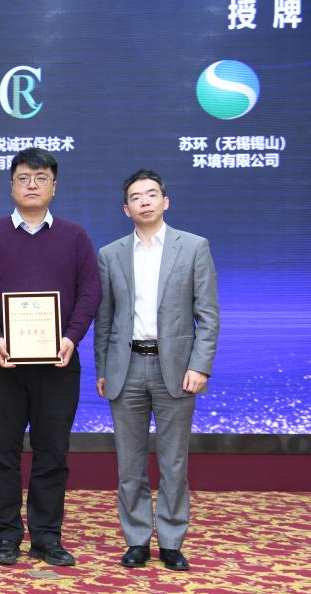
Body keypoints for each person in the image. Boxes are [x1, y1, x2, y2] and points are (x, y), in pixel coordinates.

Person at [0, 147, 100, 567]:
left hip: (57, 362)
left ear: (54, 187)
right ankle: (6, 535)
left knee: (52, 451)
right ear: (11, 185)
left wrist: (72, 337)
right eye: (24, 177)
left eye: (41, 178)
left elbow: (90, 292)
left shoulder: (75, 237)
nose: (32, 185)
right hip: (2, 361)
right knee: (1, 451)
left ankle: (46, 536)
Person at [94, 170, 219, 571]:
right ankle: (136, 540)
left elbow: (208, 316)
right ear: (126, 209)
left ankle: (171, 541)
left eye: (152, 194)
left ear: (166, 201)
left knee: (174, 463)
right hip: (126, 367)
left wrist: (200, 366)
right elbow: (104, 319)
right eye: (136, 197)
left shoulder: (194, 247)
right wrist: (102, 368)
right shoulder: (110, 254)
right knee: (129, 465)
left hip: (177, 369)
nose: (144, 201)